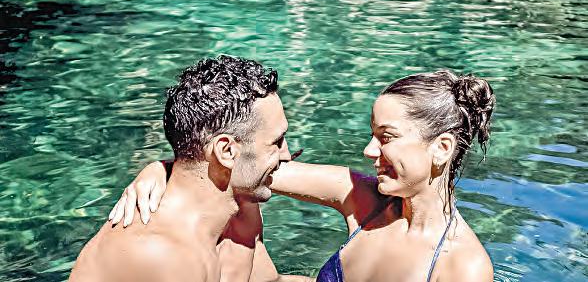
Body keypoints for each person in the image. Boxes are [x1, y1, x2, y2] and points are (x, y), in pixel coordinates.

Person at [113, 70, 495, 282]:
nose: (369, 150)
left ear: (441, 148)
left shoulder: (462, 268)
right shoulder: (361, 199)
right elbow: (241, 168)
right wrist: (161, 168)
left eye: (386, 137)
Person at [69, 55, 293, 282]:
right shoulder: (166, 258)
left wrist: (160, 166)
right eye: (277, 142)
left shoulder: (240, 208)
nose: (287, 155)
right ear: (226, 151)